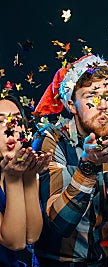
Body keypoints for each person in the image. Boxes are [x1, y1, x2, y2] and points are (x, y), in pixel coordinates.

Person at [32, 54, 108, 266]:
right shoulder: (52, 139)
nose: (102, 105)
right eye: (91, 95)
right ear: (72, 105)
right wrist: (87, 167)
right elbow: (60, 224)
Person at [0, 95, 52, 267]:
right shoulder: (12, 174)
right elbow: (15, 242)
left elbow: (32, 236)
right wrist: (13, 179)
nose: (10, 128)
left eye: (15, 121)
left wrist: (30, 177)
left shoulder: (18, 169)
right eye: (0, 122)